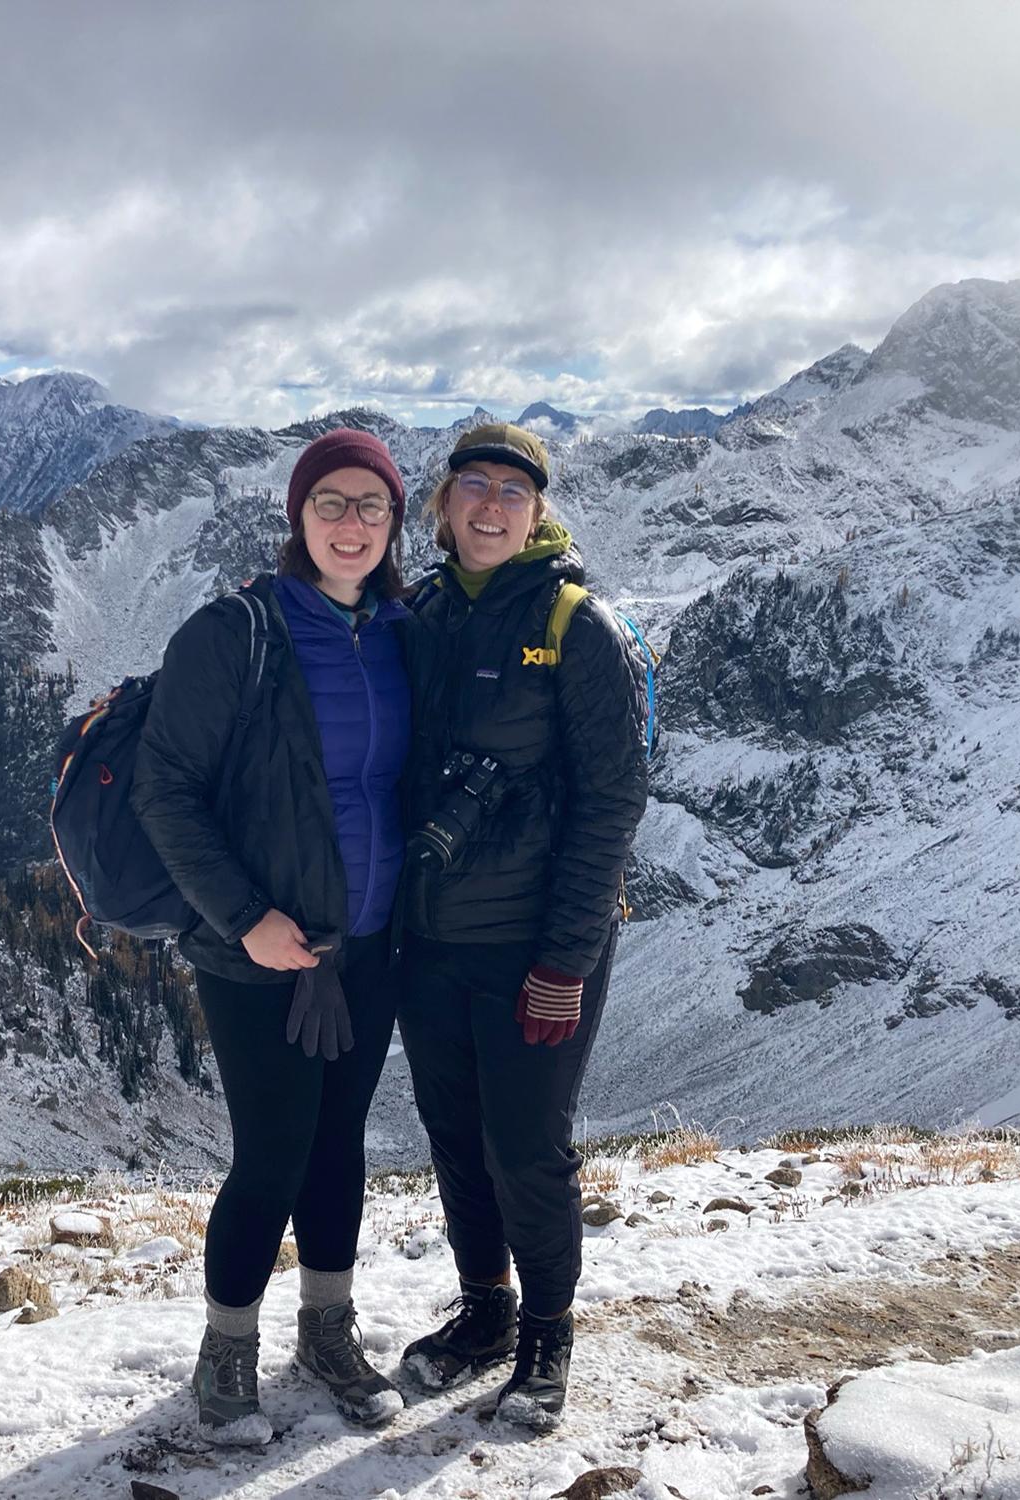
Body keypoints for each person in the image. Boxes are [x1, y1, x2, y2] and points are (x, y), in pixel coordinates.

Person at [132, 429, 412, 1443]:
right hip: (256, 957)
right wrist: (245, 918)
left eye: (371, 506)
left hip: (367, 945)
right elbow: (166, 788)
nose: (351, 523)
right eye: (331, 502)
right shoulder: (235, 632)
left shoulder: (397, 630)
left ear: (394, 523)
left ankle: (327, 1331)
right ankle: (228, 1346)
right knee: (274, 1152)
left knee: (339, 1143)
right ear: (297, 517)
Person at [395, 421, 647, 1430]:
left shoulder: (576, 625)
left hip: (535, 947)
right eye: (474, 486)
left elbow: (613, 802)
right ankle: (485, 1314)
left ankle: (547, 1334)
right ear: (443, 505)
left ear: (537, 511)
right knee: (455, 1137)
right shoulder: (417, 614)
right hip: (432, 940)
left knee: (525, 1148)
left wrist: (566, 961)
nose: (492, 504)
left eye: (514, 489)